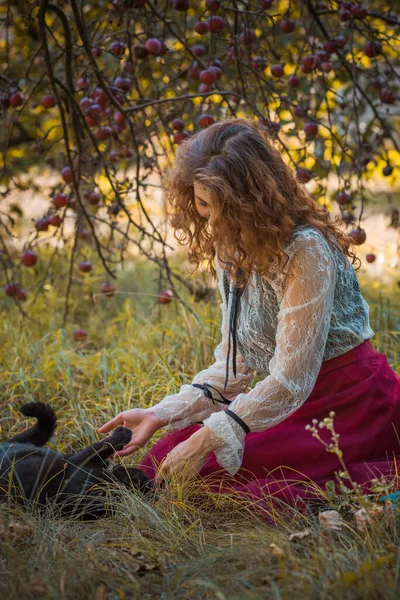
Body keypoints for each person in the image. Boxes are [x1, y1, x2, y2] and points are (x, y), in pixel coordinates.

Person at [99, 117, 400, 520]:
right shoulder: (230, 248)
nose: (211, 221)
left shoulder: (305, 250)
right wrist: (160, 415)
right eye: (202, 206)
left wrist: (210, 437)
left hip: (350, 400)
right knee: (162, 462)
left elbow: (292, 379)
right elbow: (233, 367)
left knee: (220, 480)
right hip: (291, 396)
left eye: (220, 209)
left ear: (253, 202)